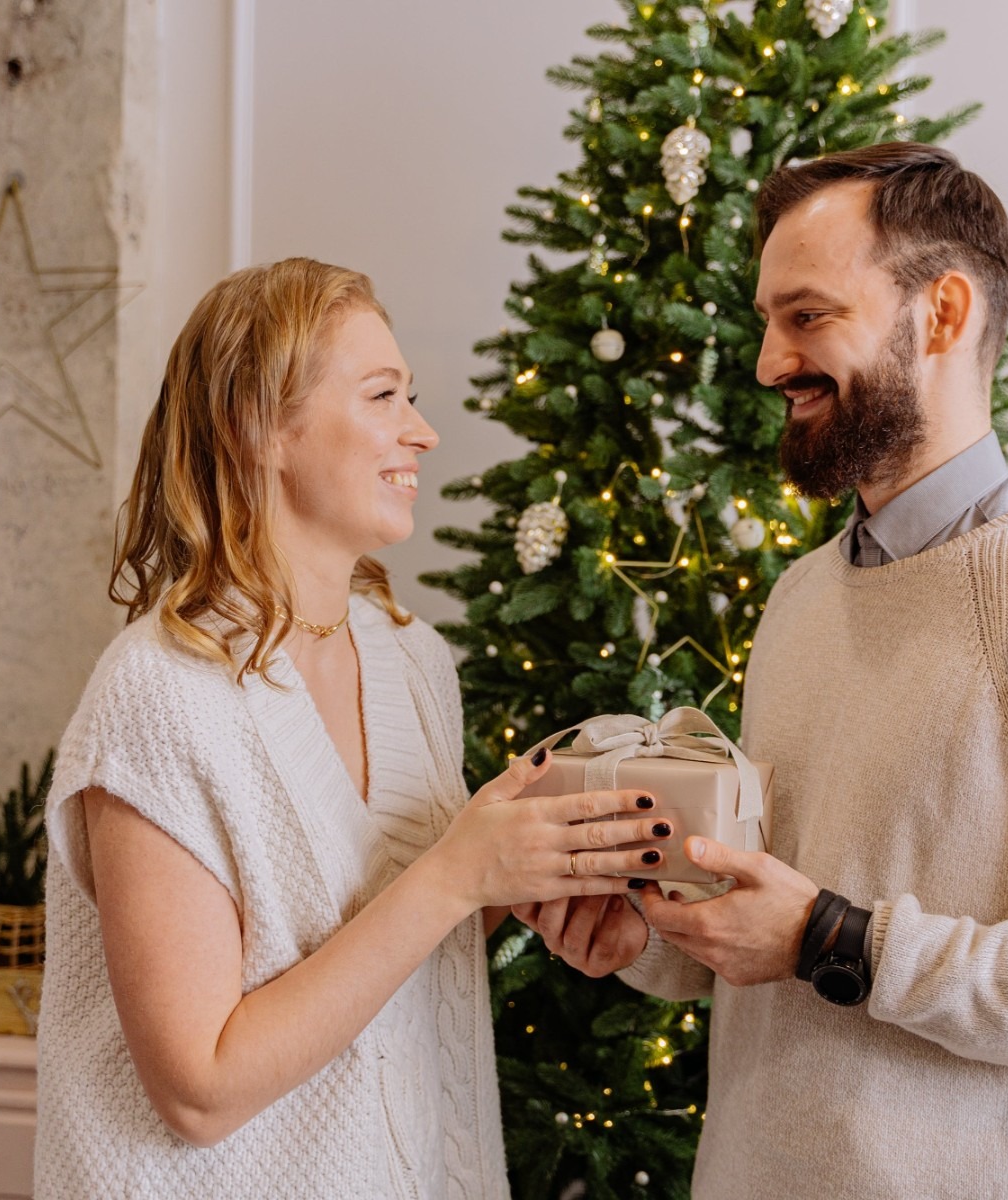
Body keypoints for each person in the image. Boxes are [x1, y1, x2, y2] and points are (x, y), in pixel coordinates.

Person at [514, 144, 1008, 1196]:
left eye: (807, 317)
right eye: (767, 318)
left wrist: (831, 939)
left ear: (941, 315)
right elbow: (777, 921)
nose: (767, 361)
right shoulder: (802, 598)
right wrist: (647, 940)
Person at [34, 258, 677, 1199]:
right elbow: (200, 1090)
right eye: (383, 396)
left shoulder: (411, 658)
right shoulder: (159, 694)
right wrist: (459, 872)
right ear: (256, 426)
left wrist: (529, 876)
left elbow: (393, 925)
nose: (422, 431)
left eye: (410, 397)